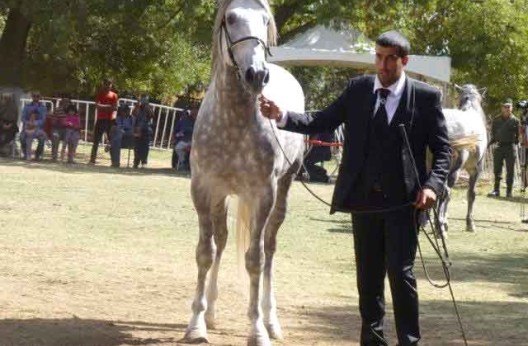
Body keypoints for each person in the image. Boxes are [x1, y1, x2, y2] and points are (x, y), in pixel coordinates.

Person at [259, 30, 451, 346]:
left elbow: (443, 151)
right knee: (368, 277)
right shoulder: (359, 89)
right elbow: (320, 120)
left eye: (391, 59)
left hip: (404, 203)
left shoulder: (426, 97)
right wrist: (282, 116)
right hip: (363, 200)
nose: (384, 65)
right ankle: (372, 340)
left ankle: (409, 341)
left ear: (404, 61)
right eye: (379, 57)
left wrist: (432, 186)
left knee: (400, 275)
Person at [487, 98, 520, 198]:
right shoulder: (496, 120)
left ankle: (509, 192)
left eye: (508, 107)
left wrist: (518, 143)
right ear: (501, 108)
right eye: (505, 107)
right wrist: (488, 144)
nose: (507, 108)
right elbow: (493, 135)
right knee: (497, 170)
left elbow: (519, 136)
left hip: (510, 147)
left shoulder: (516, 121)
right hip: (499, 147)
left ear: (512, 108)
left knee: (510, 171)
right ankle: (496, 190)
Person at [89, 77, 118, 164]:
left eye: (110, 84)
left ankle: (114, 161)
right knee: (96, 141)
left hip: (110, 120)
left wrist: (104, 106)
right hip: (100, 119)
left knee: (111, 140)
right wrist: (108, 106)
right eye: (106, 84)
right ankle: (92, 159)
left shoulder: (114, 95)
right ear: (104, 84)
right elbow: (97, 106)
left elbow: (115, 108)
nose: (108, 86)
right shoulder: (100, 94)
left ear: (111, 85)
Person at [20, 92, 47, 160]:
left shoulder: (43, 108)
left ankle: (37, 155)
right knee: (22, 137)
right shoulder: (27, 106)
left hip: (38, 128)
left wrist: (35, 123)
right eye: (34, 96)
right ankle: (26, 154)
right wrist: (28, 123)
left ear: (40, 97)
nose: (36, 98)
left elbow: (43, 119)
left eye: (37, 96)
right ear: (32, 97)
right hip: (28, 127)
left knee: (42, 139)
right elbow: (23, 118)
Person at [132, 95, 154, 168]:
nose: (144, 101)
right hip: (137, 128)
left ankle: (144, 162)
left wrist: (147, 106)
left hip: (146, 129)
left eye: (146, 100)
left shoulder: (149, 107)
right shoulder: (138, 107)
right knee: (137, 146)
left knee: (145, 146)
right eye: (143, 99)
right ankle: (136, 162)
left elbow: (151, 115)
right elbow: (134, 114)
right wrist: (138, 105)